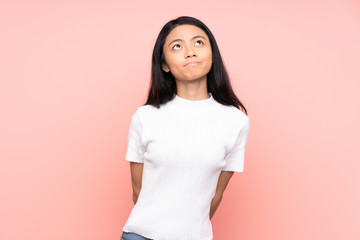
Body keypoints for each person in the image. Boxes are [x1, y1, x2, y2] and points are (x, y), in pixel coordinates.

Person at [121, 16, 250, 240]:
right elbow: (139, 191)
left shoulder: (235, 121)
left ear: (212, 54)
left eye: (199, 43)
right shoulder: (146, 117)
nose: (190, 52)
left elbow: (215, 195)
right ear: (164, 64)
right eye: (177, 46)